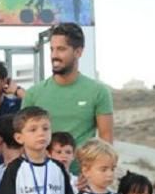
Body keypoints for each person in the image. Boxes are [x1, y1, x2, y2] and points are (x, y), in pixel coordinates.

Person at [22, 23, 113, 173]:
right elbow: (25, 140)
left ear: (78, 52)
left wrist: (93, 174)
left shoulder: (98, 92)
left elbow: (106, 139)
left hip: (82, 181)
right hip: (42, 177)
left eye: (61, 49)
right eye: (52, 49)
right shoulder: (33, 94)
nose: (54, 55)